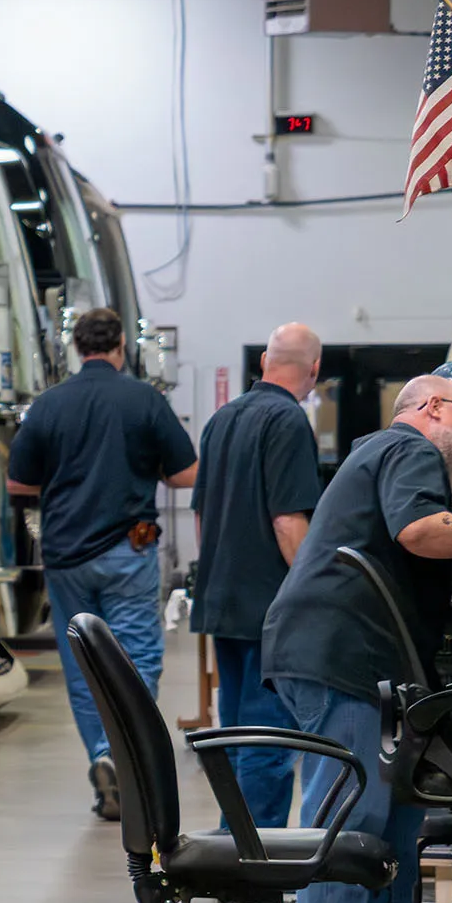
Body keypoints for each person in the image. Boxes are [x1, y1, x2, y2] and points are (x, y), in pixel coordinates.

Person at [261, 372, 452, 903]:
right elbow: (418, 530)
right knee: (351, 810)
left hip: (358, 656)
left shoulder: (387, 453)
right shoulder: (408, 449)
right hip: (341, 655)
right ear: (434, 408)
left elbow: (437, 521)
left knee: (396, 814)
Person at [8, 306, 199, 821]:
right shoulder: (145, 400)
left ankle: (101, 755)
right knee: (136, 654)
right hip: (128, 550)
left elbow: (18, 484)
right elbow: (187, 474)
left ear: (75, 348)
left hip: (66, 556)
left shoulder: (47, 406)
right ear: (120, 346)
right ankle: (126, 755)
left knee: (81, 664)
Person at [186, 323, 324, 828]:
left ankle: (235, 846)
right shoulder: (288, 421)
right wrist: (317, 595)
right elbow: (288, 521)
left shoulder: (221, 420)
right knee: (269, 740)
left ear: (265, 360)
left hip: (224, 602)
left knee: (240, 733)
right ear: (314, 370)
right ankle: (258, 864)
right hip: (272, 611)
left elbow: (201, 516)